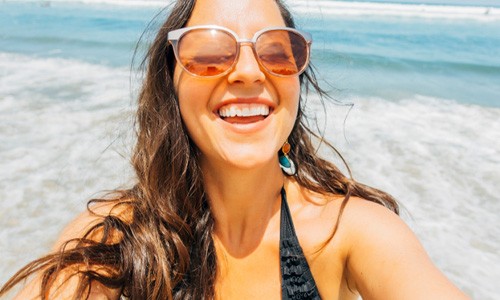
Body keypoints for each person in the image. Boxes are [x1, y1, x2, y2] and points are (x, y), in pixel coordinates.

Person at [1, 0, 470, 299]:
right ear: (171, 83)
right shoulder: (117, 234)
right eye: (208, 52)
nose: (248, 72)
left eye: (276, 51)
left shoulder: (350, 232)